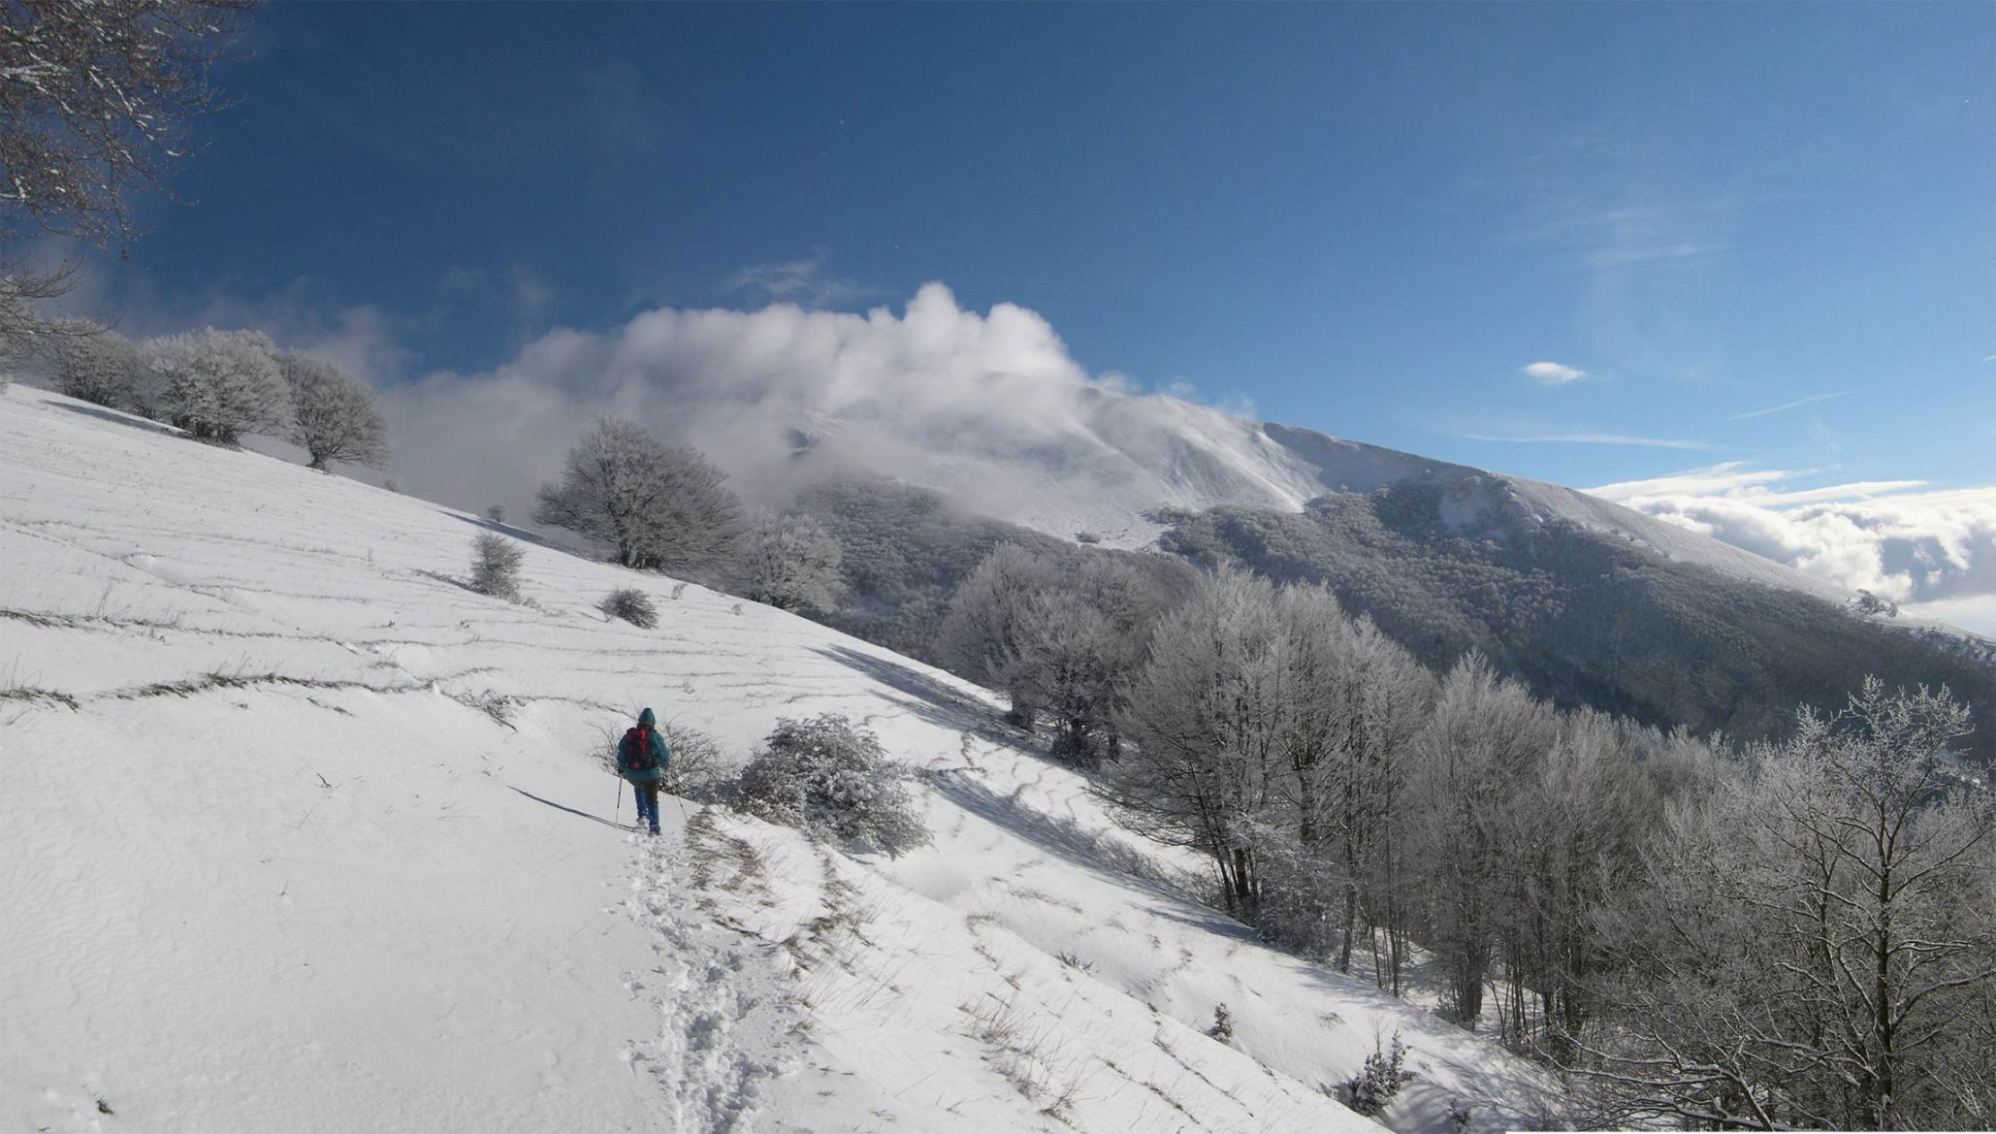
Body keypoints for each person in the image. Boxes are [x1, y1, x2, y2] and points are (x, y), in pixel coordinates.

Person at [617, 707, 672, 835]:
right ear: (652, 722)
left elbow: (621, 754)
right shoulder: (655, 737)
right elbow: (664, 756)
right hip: (652, 774)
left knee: (639, 787)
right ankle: (654, 826)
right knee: (652, 799)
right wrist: (664, 766)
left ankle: (642, 817)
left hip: (633, 773)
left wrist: (621, 767)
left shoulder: (630, 735)